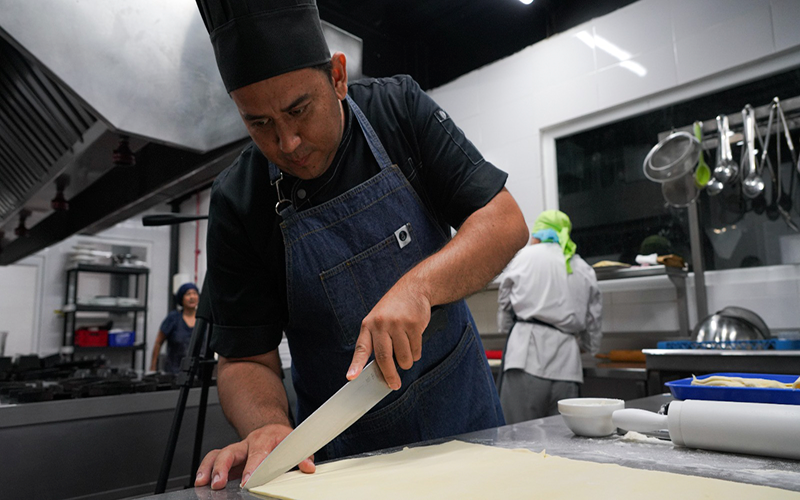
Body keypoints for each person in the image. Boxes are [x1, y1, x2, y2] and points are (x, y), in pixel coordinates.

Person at [192, 0, 529, 490]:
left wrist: (420, 286)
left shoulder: (398, 110)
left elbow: (503, 220)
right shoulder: (239, 201)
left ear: (337, 77)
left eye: (298, 110)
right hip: (343, 464)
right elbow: (246, 359)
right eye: (259, 123)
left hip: (467, 429)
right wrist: (267, 424)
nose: (287, 143)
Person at [497, 210, 602, 424]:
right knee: (562, 442)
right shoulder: (582, 267)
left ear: (538, 233)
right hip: (568, 365)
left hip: (525, 357)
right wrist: (590, 347)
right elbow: (594, 319)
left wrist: (507, 328)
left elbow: (504, 301)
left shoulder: (524, 257)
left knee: (517, 437)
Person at [149, 283, 199, 374]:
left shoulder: (203, 320)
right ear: (181, 298)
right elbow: (158, 342)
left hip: (199, 373)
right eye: (188, 294)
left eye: (195, 293)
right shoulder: (173, 318)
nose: (192, 297)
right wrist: (153, 367)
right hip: (174, 373)